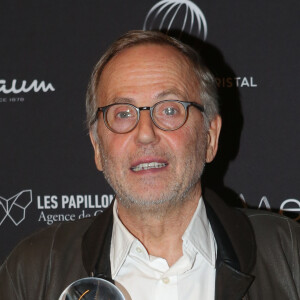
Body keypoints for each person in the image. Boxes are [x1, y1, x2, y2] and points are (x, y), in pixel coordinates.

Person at [0, 30, 299, 300]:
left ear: (210, 137)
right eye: (122, 114)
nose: (145, 133)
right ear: (97, 147)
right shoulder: (32, 273)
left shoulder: (290, 257)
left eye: (169, 110)